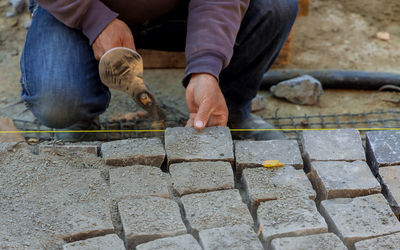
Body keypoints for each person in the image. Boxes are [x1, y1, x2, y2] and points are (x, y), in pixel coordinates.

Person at [21, 0, 298, 141]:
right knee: (58, 102)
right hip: (79, 10)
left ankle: (228, 109)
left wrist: (207, 69)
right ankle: (78, 119)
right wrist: (93, 19)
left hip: (180, 11)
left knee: (275, 7)